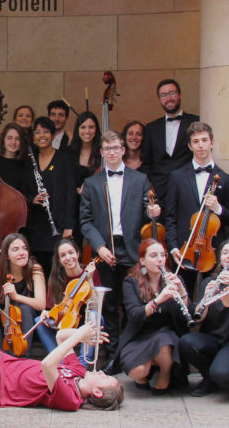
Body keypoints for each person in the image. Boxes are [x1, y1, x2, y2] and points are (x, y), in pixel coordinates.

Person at [79, 130, 153, 364]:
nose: (112, 152)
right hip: (105, 249)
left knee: (134, 303)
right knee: (109, 305)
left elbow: (146, 215)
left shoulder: (140, 179)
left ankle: (131, 352)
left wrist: (153, 213)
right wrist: (99, 247)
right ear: (101, 153)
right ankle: (112, 356)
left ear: (123, 150)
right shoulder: (92, 183)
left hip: (132, 248)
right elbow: (85, 221)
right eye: (107, 149)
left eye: (116, 148)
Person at [178, 238, 229, 397]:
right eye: (225, 253)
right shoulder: (210, 281)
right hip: (214, 339)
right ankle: (208, 377)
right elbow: (198, 319)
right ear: (220, 258)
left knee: (224, 376)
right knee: (186, 342)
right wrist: (206, 299)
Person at [164, 121, 229, 293]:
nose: (201, 145)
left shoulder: (225, 179)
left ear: (212, 143)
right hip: (184, 249)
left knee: (213, 296)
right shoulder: (177, 176)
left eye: (204, 140)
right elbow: (170, 216)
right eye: (196, 141)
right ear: (189, 146)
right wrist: (173, 247)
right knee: (182, 295)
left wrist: (218, 209)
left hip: (212, 250)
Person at [117, 238, 191, 393]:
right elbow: (135, 315)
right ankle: (145, 373)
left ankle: (165, 373)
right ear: (142, 260)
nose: (160, 259)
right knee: (138, 370)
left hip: (166, 335)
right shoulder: (131, 282)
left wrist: (182, 292)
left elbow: (185, 316)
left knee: (164, 340)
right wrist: (159, 300)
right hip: (140, 334)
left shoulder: (174, 280)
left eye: (163, 255)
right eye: (153, 256)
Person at [0, 232, 45, 355]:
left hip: (27, 326)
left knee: (24, 309)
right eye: (15, 249)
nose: (22, 252)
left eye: (24, 248)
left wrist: (16, 297)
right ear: (7, 255)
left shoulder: (35, 269)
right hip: (5, 324)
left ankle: (22, 356)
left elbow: (41, 304)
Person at [28, 116, 77, 272]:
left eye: (46, 131)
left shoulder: (64, 159)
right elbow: (23, 189)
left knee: (58, 269)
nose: (42, 136)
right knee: (38, 270)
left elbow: (71, 194)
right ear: (33, 136)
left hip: (58, 223)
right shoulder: (30, 160)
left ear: (53, 134)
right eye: (38, 132)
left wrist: (69, 226)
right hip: (36, 225)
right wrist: (32, 199)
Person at [140, 78, 199, 200]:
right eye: (164, 95)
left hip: (188, 188)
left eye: (172, 93)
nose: (168, 98)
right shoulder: (151, 128)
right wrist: (152, 185)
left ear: (180, 95)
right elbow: (147, 162)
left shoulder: (195, 122)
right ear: (160, 100)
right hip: (159, 192)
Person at [41, 238, 100, 357]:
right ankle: (59, 358)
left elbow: (97, 305)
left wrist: (89, 279)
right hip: (65, 320)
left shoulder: (91, 273)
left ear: (78, 254)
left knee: (96, 316)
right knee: (39, 321)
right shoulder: (56, 278)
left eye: (71, 252)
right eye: (63, 255)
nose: (68, 258)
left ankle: (83, 361)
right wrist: (46, 313)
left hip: (85, 321)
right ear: (59, 260)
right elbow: (50, 307)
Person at [66, 111, 101, 183]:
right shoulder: (68, 152)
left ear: (96, 129)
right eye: (83, 127)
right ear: (77, 130)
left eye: (91, 127)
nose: (87, 131)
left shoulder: (103, 152)